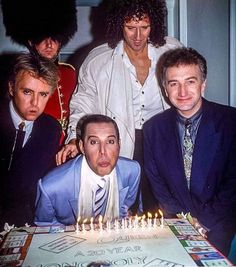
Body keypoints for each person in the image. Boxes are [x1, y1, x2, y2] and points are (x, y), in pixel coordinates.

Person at [57, 0, 182, 212]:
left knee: (161, 205)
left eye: (145, 27)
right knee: (123, 203)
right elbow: (83, 102)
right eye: (130, 28)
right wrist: (73, 137)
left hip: (162, 139)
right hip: (121, 140)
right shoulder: (99, 60)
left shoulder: (172, 50)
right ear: (118, 24)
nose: (138, 36)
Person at [143, 47, 236, 256]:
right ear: (165, 89)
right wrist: (183, 220)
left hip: (218, 219)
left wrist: (202, 222)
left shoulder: (231, 121)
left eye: (190, 81)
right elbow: (156, 182)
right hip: (174, 217)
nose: (182, 92)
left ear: (203, 85)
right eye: (174, 83)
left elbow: (233, 183)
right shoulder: (153, 129)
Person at [34, 114, 141, 226]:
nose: (103, 152)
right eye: (94, 142)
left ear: (119, 144)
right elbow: (43, 225)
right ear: (81, 147)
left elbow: (124, 207)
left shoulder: (132, 171)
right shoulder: (51, 187)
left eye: (110, 142)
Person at [1, 0, 78, 143]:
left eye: (55, 39)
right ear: (31, 42)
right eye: (42, 38)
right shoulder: (18, 73)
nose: (49, 44)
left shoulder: (69, 73)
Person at [0, 53, 61, 229]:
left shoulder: (51, 129)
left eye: (43, 94)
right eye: (27, 92)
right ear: (11, 88)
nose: (35, 103)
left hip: (25, 222)